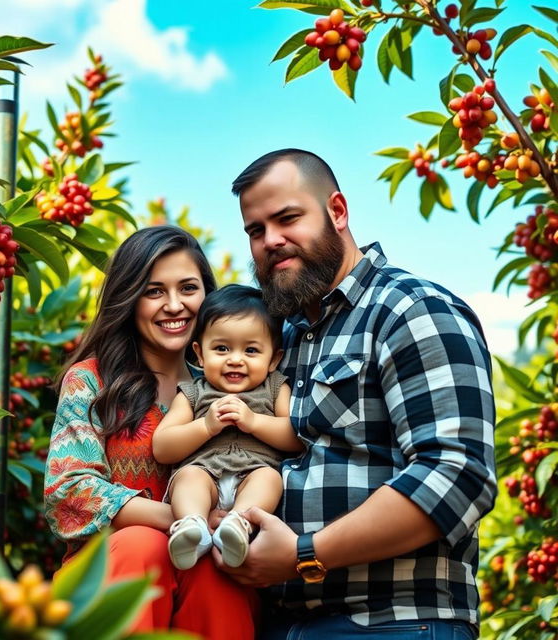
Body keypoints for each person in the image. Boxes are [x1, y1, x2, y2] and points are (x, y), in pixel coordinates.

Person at [218, 149, 497, 640]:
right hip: (279, 622)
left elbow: (457, 476)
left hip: (395, 623)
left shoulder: (412, 310)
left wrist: (305, 553)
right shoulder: (278, 338)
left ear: (338, 212)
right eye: (255, 231)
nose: (270, 241)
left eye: (287, 218)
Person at [44, 226, 257, 639]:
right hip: (112, 578)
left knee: (217, 569)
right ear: (129, 298)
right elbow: (69, 490)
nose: (174, 305)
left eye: (188, 288)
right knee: (145, 544)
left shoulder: (232, 388)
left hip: (206, 578)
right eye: (154, 291)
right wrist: (185, 520)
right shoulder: (91, 382)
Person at [153, 284, 303, 571]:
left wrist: (254, 421)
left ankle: (237, 525)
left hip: (254, 473)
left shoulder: (275, 388)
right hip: (205, 474)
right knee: (188, 477)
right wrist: (205, 426)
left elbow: (295, 437)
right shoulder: (193, 393)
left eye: (251, 350)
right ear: (199, 354)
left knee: (269, 479)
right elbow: (162, 447)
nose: (235, 359)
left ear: (274, 359)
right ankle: (192, 527)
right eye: (221, 348)